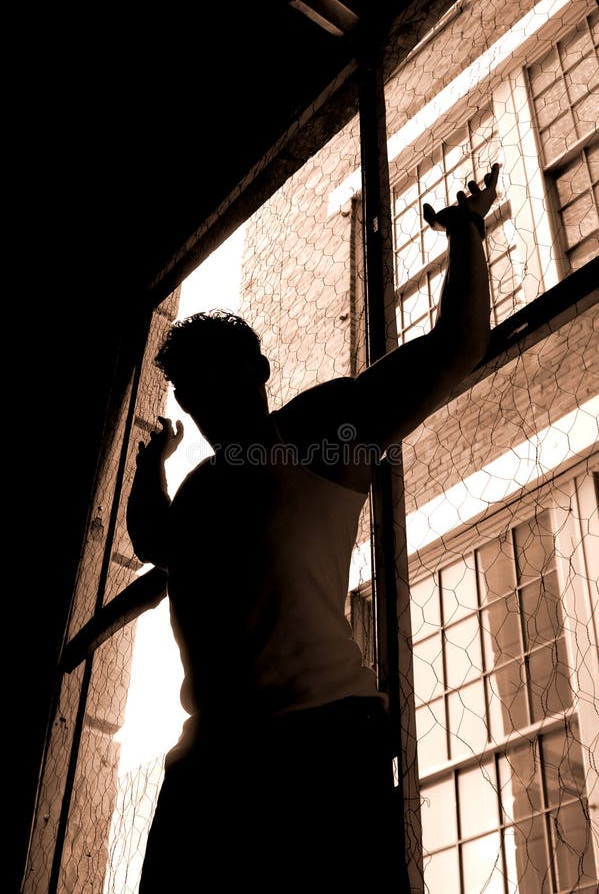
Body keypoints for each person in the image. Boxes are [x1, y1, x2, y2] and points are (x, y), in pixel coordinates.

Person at [127, 164, 500, 890]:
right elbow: (152, 544)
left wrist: (465, 231)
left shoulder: (319, 434)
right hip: (211, 758)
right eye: (186, 387)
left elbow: (453, 350)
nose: (199, 396)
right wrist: (153, 463)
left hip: (322, 744)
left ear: (258, 370)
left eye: (213, 374)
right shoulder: (201, 491)